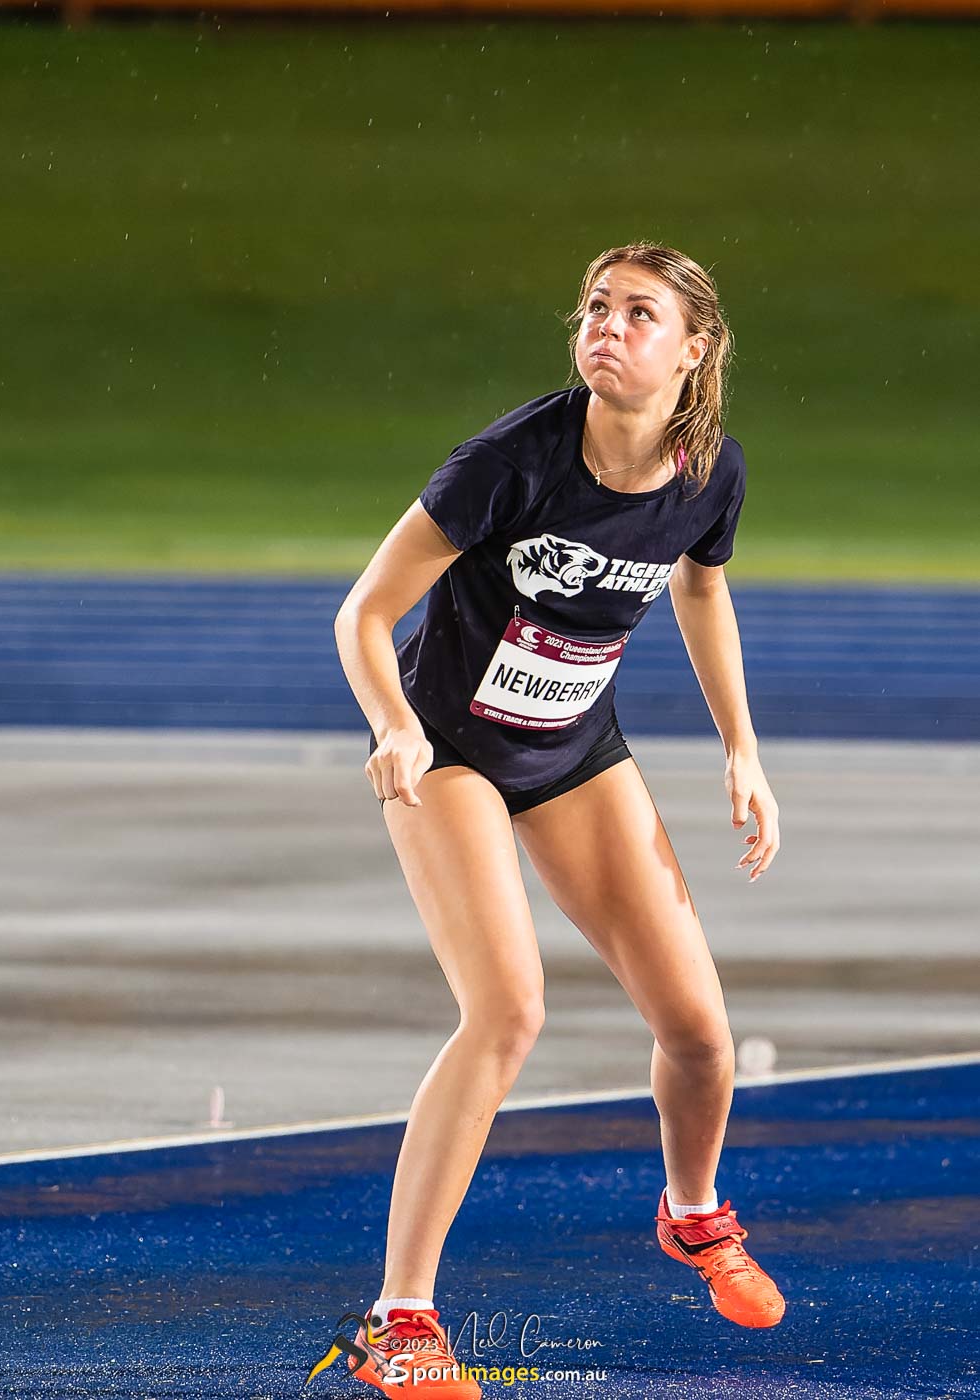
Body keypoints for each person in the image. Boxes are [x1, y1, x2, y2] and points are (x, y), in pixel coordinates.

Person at [312, 241, 784, 1397]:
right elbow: (365, 613)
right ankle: (400, 1319)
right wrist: (390, 722)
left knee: (700, 1033)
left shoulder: (707, 472)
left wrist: (742, 746)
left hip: (574, 752)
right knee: (508, 1009)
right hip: (450, 751)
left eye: (638, 313)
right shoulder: (511, 463)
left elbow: (701, 585)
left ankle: (691, 1211)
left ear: (695, 346)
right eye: (594, 307)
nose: (606, 327)